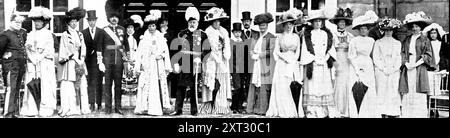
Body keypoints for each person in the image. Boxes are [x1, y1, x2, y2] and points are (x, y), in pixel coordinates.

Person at [299, 10, 338, 118]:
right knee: (313, 86)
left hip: (324, 63)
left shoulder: (326, 34)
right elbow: (306, 50)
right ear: (312, 22)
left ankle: (324, 110)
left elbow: (330, 48)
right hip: (313, 63)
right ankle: (312, 111)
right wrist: (315, 59)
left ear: (322, 23)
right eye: (315, 21)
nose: (318, 23)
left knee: (323, 86)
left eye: (320, 21)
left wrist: (325, 58)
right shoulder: (308, 34)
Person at [170, 7, 209, 116]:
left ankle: (194, 110)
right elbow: (176, 49)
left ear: (197, 23)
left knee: (194, 87)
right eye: (190, 22)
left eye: (194, 22)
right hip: (184, 63)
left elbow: (207, 50)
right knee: (181, 87)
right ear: (188, 22)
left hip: (196, 64)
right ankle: (178, 109)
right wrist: (176, 63)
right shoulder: (182, 34)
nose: (192, 24)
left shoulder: (202, 35)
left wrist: (200, 58)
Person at [266, 8, 304, 118]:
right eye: (286, 24)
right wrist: (285, 58)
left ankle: (294, 109)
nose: (289, 26)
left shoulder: (296, 36)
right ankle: (284, 109)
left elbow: (298, 52)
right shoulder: (279, 37)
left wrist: (293, 60)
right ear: (283, 25)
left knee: (293, 85)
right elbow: (276, 51)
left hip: (293, 63)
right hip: (282, 63)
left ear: (293, 25)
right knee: (283, 87)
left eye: (291, 24)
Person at [21, 7, 58, 117]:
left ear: (43, 22)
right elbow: (27, 47)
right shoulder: (31, 34)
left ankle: (45, 109)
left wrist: (39, 57)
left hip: (44, 63)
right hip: (33, 63)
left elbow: (49, 50)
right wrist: (32, 58)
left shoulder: (48, 34)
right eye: (35, 21)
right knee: (32, 83)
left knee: (45, 84)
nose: (37, 23)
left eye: (39, 21)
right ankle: (32, 109)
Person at [134, 10, 172, 116]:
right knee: (146, 84)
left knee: (158, 84)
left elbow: (165, 52)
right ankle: (144, 107)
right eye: (150, 26)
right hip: (147, 65)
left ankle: (161, 107)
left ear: (156, 26)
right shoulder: (143, 39)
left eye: (153, 26)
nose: (152, 28)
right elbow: (139, 54)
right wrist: (138, 66)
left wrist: (162, 56)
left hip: (157, 64)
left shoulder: (161, 38)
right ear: (147, 27)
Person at [399, 11, 436, 118]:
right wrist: (406, 63)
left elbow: (428, 55)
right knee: (408, 89)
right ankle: (407, 115)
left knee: (418, 90)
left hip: (419, 67)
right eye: (413, 26)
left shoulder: (425, 39)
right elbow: (402, 52)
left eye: (417, 26)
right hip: (408, 66)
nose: (415, 28)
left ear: (421, 27)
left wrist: (415, 64)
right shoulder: (407, 39)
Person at [57, 7, 90, 116]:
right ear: (68, 23)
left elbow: (83, 48)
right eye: (72, 22)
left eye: (76, 21)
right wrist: (74, 57)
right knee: (68, 86)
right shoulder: (64, 35)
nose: (74, 23)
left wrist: (82, 59)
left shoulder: (80, 34)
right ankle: (69, 108)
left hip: (80, 63)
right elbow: (63, 50)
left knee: (82, 85)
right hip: (70, 63)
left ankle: (83, 108)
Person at [347, 11, 380, 118]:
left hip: (368, 64)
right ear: (358, 30)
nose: (363, 30)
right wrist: (357, 68)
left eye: (365, 29)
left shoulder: (371, 40)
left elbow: (374, 55)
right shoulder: (354, 40)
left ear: (368, 30)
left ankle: (369, 112)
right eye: (361, 29)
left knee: (369, 87)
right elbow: (351, 56)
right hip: (357, 63)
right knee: (357, 86)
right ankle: (357, 112)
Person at [200, 7, 232, 115]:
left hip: (221, 58)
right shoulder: (208, 32)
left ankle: (219, 105)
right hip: (211, 59)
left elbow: (226, 45)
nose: (217, 23)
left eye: (219, 21)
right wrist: (218, 60)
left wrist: (225, 52)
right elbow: (208, 49)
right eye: (215, 21)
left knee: (221, 81)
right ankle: (209, 106)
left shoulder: (223, 31)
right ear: (211, 22)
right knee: (211, 82)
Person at [246, 12, 276, 115]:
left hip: (265, 65)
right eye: (260, 25)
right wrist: (252, 55)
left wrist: (259, 55)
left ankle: (262, 109)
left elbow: (271, 51)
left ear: (267, 26)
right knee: (255, 84)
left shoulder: (271, 36)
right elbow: (251, 49)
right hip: (256, 64)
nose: (262, 27)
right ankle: (252, 108)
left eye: (264, 25)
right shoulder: (256, 36)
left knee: (264, 86)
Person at [373, 18, 403, 118]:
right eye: (386, 30)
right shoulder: (378, 42)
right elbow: (375, 57)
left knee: (393, 90)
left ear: (393, 30)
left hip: (393, 71)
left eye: (390, 30)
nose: (388, 32)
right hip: (381, 70)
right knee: (381, 90)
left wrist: (393, 68)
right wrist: (383, 68)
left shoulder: (397, 43)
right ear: (383, 31)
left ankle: (392, 112)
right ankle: (382, 112)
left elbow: (399, 57)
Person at [101, 12, 130, 114]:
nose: (114, 19)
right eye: (112, 17)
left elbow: (126, 45)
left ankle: (118, 107)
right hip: (108, 61)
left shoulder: (122, 30)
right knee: (108, 85)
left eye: (116, 17)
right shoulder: (104, 30)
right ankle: (108, 108)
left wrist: (127, 59)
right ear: (109, 18)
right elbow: (100, 47)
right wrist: (101, 61)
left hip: (119, 62)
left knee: (118, 86)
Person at [0, 14, 27, 118]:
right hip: (10, 65)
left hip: (20, 65)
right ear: (11, 22)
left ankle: (13, 112)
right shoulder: (5, 35)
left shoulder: (22, 33)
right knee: (11, 88)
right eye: (16, 22)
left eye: (20, 22)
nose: (18, 24)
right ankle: (7, 114)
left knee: (16, 88)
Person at [328, 8, 354, 118]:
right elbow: (329, 49)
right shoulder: (332, 35)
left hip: (347, 61)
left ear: (346, 24)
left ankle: (345, 110)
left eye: (344, 22)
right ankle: (336, 110)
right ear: (337, 24)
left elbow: (353, 51)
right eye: (340, 22)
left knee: (346, 84)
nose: (342, 24)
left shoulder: (350, 36)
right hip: (337, 60)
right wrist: (334, 62)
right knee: (337, 84)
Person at [81, 10, 105, 112]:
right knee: (90, 82)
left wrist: (103, 60)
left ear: (96, 21)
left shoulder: (101, 32)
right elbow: (82, 48)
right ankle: (91, 103)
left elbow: (104, 46)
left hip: (99, 62)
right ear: (87, 21)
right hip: (89, 62)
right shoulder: (83, 33)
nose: (92, 22)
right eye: (90, 20)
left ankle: (99, 103)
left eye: (93, 20)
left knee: (99, 82)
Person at [230, 22, 247, 114]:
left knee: (241, 87)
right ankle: (235, 107)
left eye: (239, 32)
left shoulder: (243, 42)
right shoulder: (231, 42)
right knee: (237, 87)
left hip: (243, 68)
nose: (237, 34)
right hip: (234, 67)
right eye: (236, 32)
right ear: (233, 33)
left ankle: (239, 106)